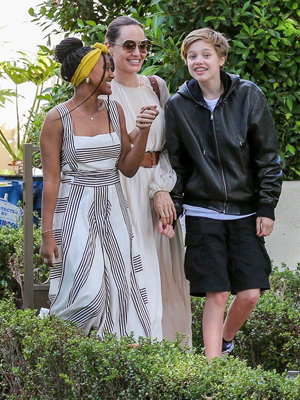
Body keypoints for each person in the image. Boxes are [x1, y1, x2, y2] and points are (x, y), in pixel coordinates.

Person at [165, 28, 282, 360]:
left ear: (221, 59)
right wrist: (173, 208)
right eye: (191, 56)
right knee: (216, 294)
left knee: (249, 294)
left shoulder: (248, 95)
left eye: (205, 54)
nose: (198, 61)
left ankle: (226, 340)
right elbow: (177, 165)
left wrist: (266, 206)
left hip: (246, 212)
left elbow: (268, 158)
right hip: (204, 213)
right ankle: (213, 371)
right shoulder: (178, 106)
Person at [39, 37, 159, 340]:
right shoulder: (57, 118)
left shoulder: (114, 110)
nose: (111, 74)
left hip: (113, 207)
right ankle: (59, 349)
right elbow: (51, 180)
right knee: (86, 294)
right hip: (74, 209)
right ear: (85, 73)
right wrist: (47, 234)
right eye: (105, 68)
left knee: (120, 288)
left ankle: (113, 363)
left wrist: (142, 129)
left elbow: (128, 167)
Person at [104, 16, 192, 345]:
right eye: (129, 45)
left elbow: (171, 146)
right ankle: (126, 355)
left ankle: (164, 360)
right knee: (127, 273)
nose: (137, 52)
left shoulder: (156, 87)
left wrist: (160, 189)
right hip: (120, 189)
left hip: (156, 191)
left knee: (161, 278)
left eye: (143, 46)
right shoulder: (102, 92)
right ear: (109, 47)